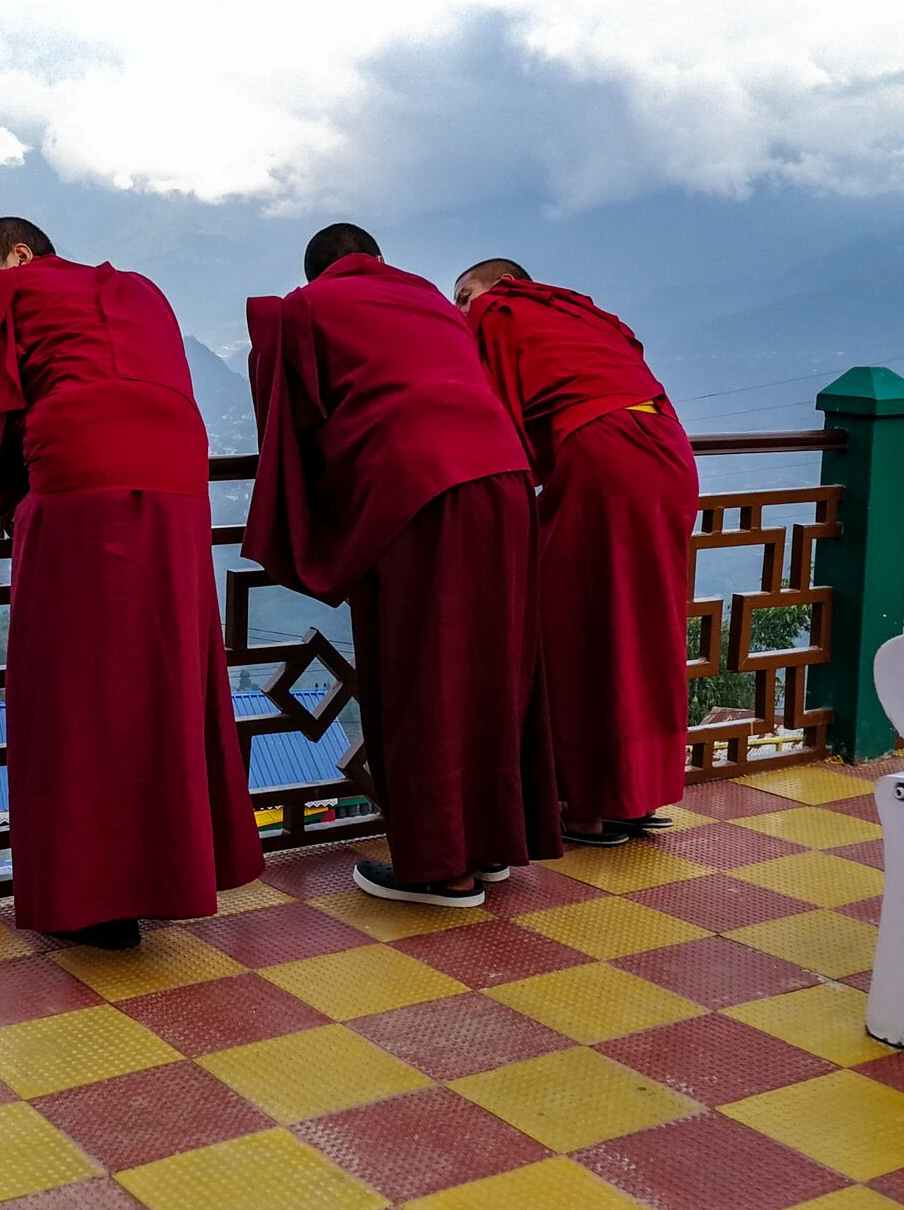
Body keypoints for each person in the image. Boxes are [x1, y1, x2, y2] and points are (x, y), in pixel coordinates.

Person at [0, 217, 263, 949]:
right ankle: (172, 872)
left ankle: (98, 901)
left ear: (19, 256)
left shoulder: (14, 292)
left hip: (84, 475)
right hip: (180, 482)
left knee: (76, 686)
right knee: (164, 670)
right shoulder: (138, 290)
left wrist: (3, 501)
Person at [243, 223, 561, 906]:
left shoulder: (306, 307)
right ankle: (493, 845)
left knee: (421, 673)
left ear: (315, 275)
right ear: (379, 261)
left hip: (422, 488)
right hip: (505, 479)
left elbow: (287, 415)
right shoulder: (430, 300)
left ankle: (441, 868)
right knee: (494, 664)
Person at [454, 258, 698, 845]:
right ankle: (635, 794)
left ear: (501, 286)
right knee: (645, 625)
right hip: (667, 449)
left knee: (572, 627)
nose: (460, 308)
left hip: (603, 454)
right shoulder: (579, 311)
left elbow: (488, 413)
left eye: (464, 294)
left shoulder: (498, 310)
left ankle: (584, 805)